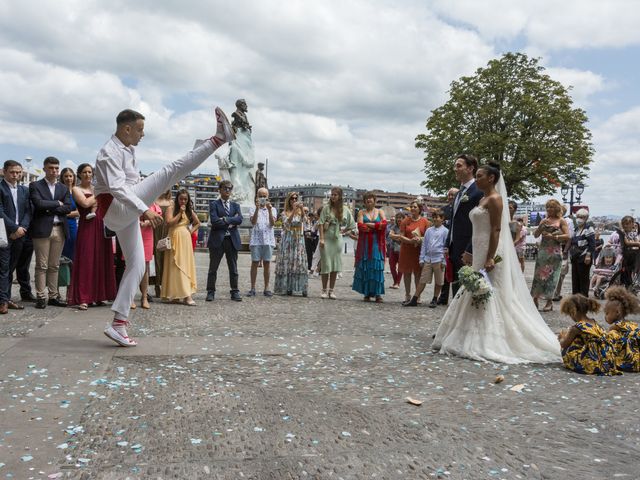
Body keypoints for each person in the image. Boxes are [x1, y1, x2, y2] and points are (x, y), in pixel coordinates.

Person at [95, 107, 234, 347]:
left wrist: (144, 204)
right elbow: (118, 189)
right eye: (140, 130)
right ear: (126, 129)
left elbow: (130, 184)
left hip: (122, 212)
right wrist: (145, 209)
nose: (142, 135)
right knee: (170, 171)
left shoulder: (127, 150)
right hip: (115, 208)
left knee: (138, 265)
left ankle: (118, 324)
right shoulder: (109, 153)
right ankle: (217, 139)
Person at [432, 162, 561, 364]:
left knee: (491, 290)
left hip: (490, 249)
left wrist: (490, 256)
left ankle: (490, 338)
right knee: (476, 288)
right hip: (478, 247)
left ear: (491, 178)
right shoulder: (483, 198)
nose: (479, 178)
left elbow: (496, 230)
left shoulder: (495, 199)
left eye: (481, 175)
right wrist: (471, 251)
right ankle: (466, 333)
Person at [67, 163, 117, 310]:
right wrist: (99, 194)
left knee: (101, 259)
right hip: (87, 225)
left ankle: (99, 295)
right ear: (80, 174)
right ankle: (83, 297)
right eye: (85, 172)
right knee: (86, 260)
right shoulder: (76, 189)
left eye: (90, 172)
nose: (88, 175)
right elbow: (84, 203)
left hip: (100, 225)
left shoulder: (96, 189)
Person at [29, 156, 72, 309]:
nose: (54, 171)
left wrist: (50, 207)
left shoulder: (63, 188)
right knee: (42, 265)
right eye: (51, 168)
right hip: (42, 229)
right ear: (45, 169)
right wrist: (56, 203)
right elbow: (38, 204)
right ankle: (41, 296)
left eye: (56, 168)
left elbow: (67, 208)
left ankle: (53, 296)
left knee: (54, 265)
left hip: (59, 229)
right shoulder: (35, 185)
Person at [445, 155, 484, 301]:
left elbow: (479, 224)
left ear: (470, 168)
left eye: (459, 165)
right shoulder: (458, 193)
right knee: (456, 286)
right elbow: (453, 221)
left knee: (468, 288)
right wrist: (447, 244)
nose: (455, 169)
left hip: (469, 248)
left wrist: (470, 249)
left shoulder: (478, 192)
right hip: (454, 247)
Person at [0, 160, 33, 312]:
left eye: (18, 172)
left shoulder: (24, 190)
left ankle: (5, 298)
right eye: (12, 172)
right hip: (4, 233)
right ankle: (3, 302)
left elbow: (28, 211)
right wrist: (13, 228)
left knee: (12, 267)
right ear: (4, 171)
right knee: (3, 268)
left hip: (20, 234)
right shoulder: (0, 188)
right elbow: (0, 212)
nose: (16, 175)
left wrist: (22, 228)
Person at [558, 294, 619, 375]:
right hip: (607, 360)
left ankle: (576, 363)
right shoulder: (594, 322)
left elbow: (564, 344)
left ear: (573, 311)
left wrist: (561, 337)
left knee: (567, 348)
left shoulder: (576, 328)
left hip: (592, 363)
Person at [206, 179, 243, 302]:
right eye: (225, 188)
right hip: (217, 240)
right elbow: (214, 221)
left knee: (233, 268)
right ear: (220, 190)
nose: (227, 190)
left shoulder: (235, 205)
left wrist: (226, 219)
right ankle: (210, 292)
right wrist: (232, 220)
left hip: (232, 240)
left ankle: (235, 291)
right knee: (213, 268)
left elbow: (240, 219)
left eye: (229, 188)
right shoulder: (214, 204)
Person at [162, 189, 200, 305]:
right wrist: (179, 213)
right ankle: (175, 294)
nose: (183, 201)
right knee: (174, 266)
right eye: (181, 199)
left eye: (185, 199)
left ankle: (187, 295)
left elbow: (197, 223)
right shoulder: (171, 208)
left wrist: (190, 231)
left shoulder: (189, 210)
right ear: (177, 199)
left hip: (185, 240)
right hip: (174, 238)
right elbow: (169, 223)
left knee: (184, 265)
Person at [530, 199, 569, 312]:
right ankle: (535, 298)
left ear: (557, 208)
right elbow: (536, 235)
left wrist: (554, 237)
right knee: (538, 276)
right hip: (543, 251)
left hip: (555, 253)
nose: (549, 209)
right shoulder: (544, 220)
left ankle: (549, 302)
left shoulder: (561, 221)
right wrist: (541, 226)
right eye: (547, 207)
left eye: (551, 207)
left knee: (552, 278)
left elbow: (568, 236)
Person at [404, 210, 448, 308]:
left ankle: (434, 299)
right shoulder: (429, 230)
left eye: (438, 217)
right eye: (434, 217)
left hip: (439, 258)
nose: (436, 219)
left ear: (442, 219)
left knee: (438, 281)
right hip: (428, 258)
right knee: (422, 280)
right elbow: (424, 245)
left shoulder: (445, 231)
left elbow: (446, 247)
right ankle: (415, 298)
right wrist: (421, 258)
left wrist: (444, 260)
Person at [318, 187, 355, 299]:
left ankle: (331, 290)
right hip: (327, 238)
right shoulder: (326, 208)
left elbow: (352, 224)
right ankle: (324, 290)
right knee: (326, 264)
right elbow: (320, 223)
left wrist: (344, 231)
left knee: (335, 265)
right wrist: (321, 238)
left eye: (335, 195)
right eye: (332, 195)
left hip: (337, 239)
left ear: (339, 196)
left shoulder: (344, 209)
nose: (333, 196)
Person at [352, 191, 387, 302]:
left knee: (377, 266)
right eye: (366, 201)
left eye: (370, 200)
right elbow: (361, 226)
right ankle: (366, 293)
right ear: (364, 202)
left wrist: (372, 225)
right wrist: (377, 226)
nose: (368, 202)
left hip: (377, 243)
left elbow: (384, 224)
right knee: (366, 266)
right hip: (365, 244)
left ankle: (377, 294)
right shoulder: (361, 212)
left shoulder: (380, 211)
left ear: (374, 201)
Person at [392, 201, 429, 303]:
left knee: (418, 273)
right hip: (406, 250)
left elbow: (428, 236)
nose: (412, 208)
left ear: (419, 209)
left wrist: (420, 239)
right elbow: (401, 235)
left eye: (415, 207)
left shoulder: (425, 221)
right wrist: (410, 241)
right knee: (407, 273)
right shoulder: (405, 221)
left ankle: (417, 296)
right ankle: (407, 295)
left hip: (418, 250)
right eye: (411, 207)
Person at [274, 192, 309, 296]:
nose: (294, 200)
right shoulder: (284, 212)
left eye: (296, 198)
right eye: (292, 198)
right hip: (288, 239)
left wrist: (301, 209)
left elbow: (305, 222)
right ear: (288, 200)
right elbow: (286, 223)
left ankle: (301, 288)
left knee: (299, 263)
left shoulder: (300, 212)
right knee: (288, 262)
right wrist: (293, 211)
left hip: (299, 239)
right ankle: (288, 287)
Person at [247, 187, 276, 296]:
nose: (263, 198)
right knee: (254, 263)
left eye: (264, 196)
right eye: (261, 196)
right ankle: (252, 287)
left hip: (268, 239)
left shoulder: (273, 209)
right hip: (256, 240)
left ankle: (267, 287)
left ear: (268, 197)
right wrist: (257, 209)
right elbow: (253, 222)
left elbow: (272, 224)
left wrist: (268, 210)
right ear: (257, 197)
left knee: (267, 263)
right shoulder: (252, 208)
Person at [604, 286, 640, 372]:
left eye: (607, 313)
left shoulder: (615, 326)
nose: (605, 317)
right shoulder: (630, 324)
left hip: (627, 361)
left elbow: (606, 341)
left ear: (617, 312)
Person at [138, 201, 162, 309]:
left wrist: (147, 222)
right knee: (130, 265)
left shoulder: (152, 202)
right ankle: (130, 297)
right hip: (134, 231)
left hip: (147, 234)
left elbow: (158, 219)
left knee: (145, 267)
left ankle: (144, 297)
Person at [569, 208, 595, 296]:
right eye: (578, 217)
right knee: (575, 279)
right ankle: (575, 297)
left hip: (584, 258)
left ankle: (583, 297)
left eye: (582, 217)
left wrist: (588, 255)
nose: (579, 219)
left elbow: (592, 244)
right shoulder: (576, 229)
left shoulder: (589, 229)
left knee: (583, 279)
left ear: (586, 218)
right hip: (575, 257)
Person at [152, 190, 173, 298]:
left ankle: (165, 285)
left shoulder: (172, 202)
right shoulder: (153, 200)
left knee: (167, 258)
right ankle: (156, 285)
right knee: (156, 257)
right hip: (156, 231)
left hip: (168, 232)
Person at [60, 167, 79, 262]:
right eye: (66, 176)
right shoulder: (59, 191)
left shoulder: (77, 191)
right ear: (62, 178)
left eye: (70, 176)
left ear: (74, 177)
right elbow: (58, 209)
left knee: (74, 248)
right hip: (62, 224)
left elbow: (80, 212)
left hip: (73, 225)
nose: (68, 178)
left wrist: (65, 213)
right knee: (63, 250)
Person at [618, 215, 640, 289]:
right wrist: (637, 244)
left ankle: (631, 282)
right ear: (623, 224)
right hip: (627, 254)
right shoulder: (623, 233)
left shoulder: (633, 233)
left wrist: (637, 243)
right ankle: (628, 284)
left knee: (630, 270)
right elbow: (627, 243)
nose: (628, 225)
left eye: (630, 223)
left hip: (633, 253)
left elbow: (637, 240)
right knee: (627, 271)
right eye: (626, 224)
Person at [386, 212, 404, 289]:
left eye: (400, 218)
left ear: (403, 219)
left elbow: (403, 237)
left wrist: (395, 236)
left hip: (402, 250)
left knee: (400, 267)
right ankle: (395, 282)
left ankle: (397, 283)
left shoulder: (405, 227)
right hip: (392, 248)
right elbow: (390, 235)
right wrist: (399, 236)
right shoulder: (394, 227)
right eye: (398, 218)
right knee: (392, 266)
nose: (399, 219)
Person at [508, 201, 525, 272]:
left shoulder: (517, 224)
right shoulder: (500, 221)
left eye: (510, 208)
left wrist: (511, 245)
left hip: (511, 248)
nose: (508, 209)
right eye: (507, 207)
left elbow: (517, 238)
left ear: (515, 210)